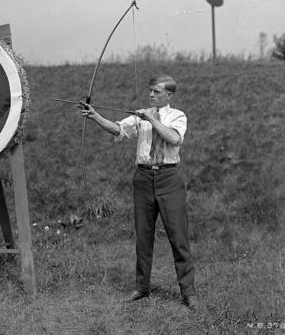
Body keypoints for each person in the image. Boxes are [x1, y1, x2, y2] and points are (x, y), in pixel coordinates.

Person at [79, 74, 197, 309]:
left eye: (156, 91)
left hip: (168, 178)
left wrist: (152, 120)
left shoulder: (177, 116)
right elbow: (118, 130)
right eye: (150, 91)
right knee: (143, 236)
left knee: (178, 236)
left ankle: (188, 292)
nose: (151, 94)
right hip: (143, 178)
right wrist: (96, 117)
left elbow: (174, 139)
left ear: (169, 95)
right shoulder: (140, 114)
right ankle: (142, 287)